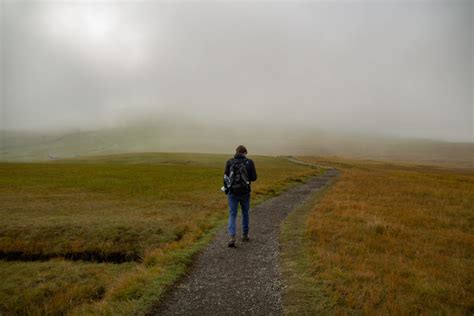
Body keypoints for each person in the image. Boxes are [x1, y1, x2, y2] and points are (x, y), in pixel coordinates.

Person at [224, 145, 257, 247]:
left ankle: (232, 237)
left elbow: (225, 177)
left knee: (232, 214)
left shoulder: (229, 162)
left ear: (236, 152)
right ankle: (244, 235)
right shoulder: (249, 162)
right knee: (245, 213)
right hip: (245, 192)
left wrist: (227, 190)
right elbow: (254, 178)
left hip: (232, 193)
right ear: (245, 152)